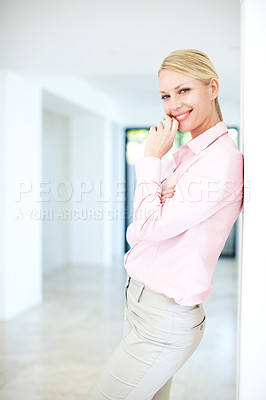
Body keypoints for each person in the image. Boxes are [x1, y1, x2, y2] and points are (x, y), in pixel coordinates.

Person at [90, 49, 244, 400]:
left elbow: (144, 229)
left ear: (213, 87)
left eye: (184, 90)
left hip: (164, 317)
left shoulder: (220, 161)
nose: (173, 104)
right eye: (165, 95)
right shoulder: (188, 155)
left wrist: (149, 160)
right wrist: (151, 214)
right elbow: (144, 229)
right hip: (143, 304)